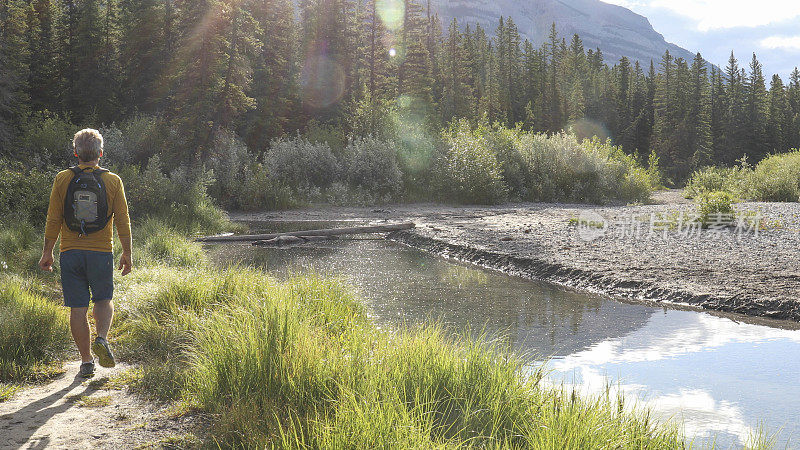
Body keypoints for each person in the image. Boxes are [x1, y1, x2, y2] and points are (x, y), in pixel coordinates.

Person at [38, 129, 132, 378]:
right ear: (100, 153)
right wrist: (127, 253)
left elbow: (53, 218)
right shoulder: (113, 180)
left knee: (77, 308)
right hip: (101, 252)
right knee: (103, 300)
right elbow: (123, 220)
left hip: (70, 252)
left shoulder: (62, 178)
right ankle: (102, 338)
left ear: (76, 153)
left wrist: (47, 252)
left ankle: (87, 361)